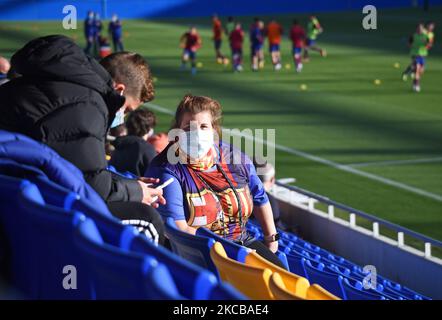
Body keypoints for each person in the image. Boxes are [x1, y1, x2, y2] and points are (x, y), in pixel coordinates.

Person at [0, 35, 166, 245]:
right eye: (128, 109)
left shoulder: (62, 83)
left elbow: (78, 169)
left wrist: (129, 184)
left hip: (16, 191)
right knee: (148, 220)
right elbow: (91, 185)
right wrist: (136, 192)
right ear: (120, 90)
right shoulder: (87, 104)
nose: (122, 116)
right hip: (25, 207)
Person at [147, 94, 285, 268]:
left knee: (281, 274)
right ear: (177, 131)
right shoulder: (168, 168)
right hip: (195, 252)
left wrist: (271, 239)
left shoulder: (234, 158)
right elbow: (179, 229)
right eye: (189, 127)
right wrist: (230, 251)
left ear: (213, 130)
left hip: (240, 242)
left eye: (203, 126)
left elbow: (260, 197)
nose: (196, 133)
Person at [110, 108, 157, 176]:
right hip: (135, 185)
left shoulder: (119, 143)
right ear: (149, 129)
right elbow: (155, 174)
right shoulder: (146, 148)